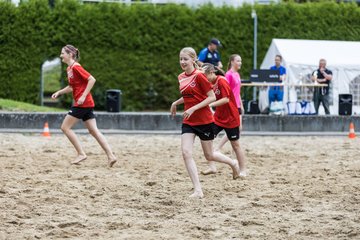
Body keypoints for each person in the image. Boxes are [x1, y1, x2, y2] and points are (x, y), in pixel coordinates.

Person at [170, 47, 240, 199]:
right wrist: (176, 102)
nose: (182, 62)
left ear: (193, 60)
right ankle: (198, 190)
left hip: (204, 120)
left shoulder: (200, 76)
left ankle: (233, 163)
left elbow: (211, 97)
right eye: (181, 59)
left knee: (209, 156)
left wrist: (194, 108)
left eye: (185, 59)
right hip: (189, 120)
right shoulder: (181, 77)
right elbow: (190, 96)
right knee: (186, 152)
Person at [52, 44, 117, 167]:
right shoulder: (69, 69)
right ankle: (111, 156)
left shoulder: (76, 67)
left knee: (65, 128)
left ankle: (81, 153)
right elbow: (72, 87)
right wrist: (59, 92)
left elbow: (92, 79)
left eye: (62, 53)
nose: (61, 55)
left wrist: (82, 96)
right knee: (93, 131)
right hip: (87, 104)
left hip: (82, 104)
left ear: (70, 54)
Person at [201, 54, 246, 175]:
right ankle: (212, 167)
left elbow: (226, 99)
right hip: (218, 117)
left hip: (231, 117)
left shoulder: (221, 80)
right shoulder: (210, 82)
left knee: (236, 145)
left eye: (204, 76)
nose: (203, 79)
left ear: (211, 72)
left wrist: (210, 105)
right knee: (207, 140)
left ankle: (242, 170)